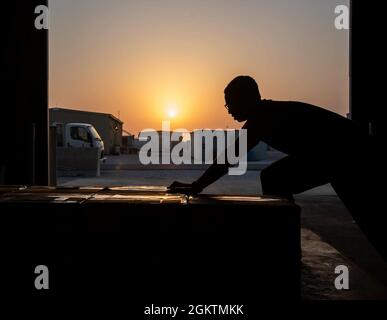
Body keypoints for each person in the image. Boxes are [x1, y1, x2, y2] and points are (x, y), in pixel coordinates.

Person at [168, 75, 386, 260]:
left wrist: (196, 186)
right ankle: (282, 239)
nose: (229, 110)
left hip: (348, 154)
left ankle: (280, 243)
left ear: (246, 99)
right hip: (341, 153)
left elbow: (228, 159)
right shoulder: (268, 113)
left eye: (230, 103)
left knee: (275, 178)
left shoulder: (262, 118)